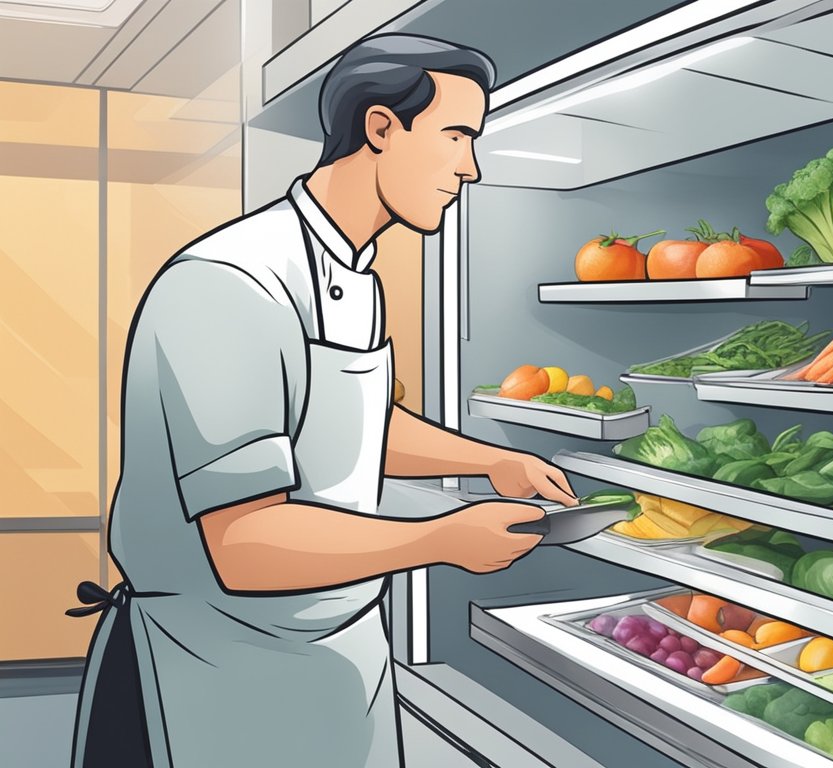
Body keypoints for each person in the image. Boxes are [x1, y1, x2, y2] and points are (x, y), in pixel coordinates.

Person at [67, 34, 570, 768]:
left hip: (334, 650)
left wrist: (492, 461)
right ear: (379, 127)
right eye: (457, 136)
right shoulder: (229, 282)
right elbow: (243, 544)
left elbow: (345, 419)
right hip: (214, 662)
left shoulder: (357, 275)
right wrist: (444, 538)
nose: (471, 167)